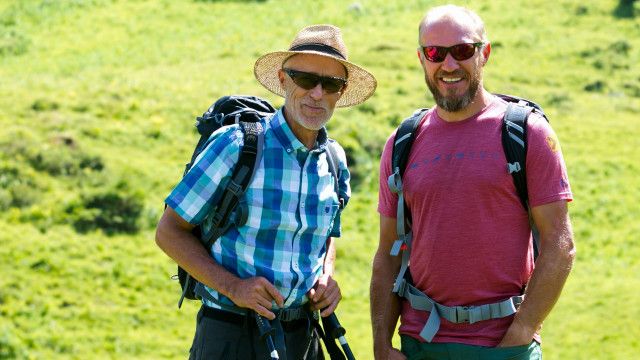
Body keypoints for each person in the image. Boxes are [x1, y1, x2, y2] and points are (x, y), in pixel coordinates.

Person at [155, 24, 376, 359]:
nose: (317, 93)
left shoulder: (334, 160)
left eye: (330, 84)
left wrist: (326, 278)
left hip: (304, 337)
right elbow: (169, 232)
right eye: (305, 78)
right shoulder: (236, 146)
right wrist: (235, 287)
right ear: (283, 79)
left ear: (341, 93)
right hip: (230, 333)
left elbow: (328, 236)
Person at [370, 5, 575, 360]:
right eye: (436, 53)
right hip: (420, 343)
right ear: (422, 59)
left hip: (503, 346)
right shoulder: (402, 142)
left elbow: (560, 243)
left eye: (463, 51)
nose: (449, 65)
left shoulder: (527, 133)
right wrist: (381, 346)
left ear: (485, 53)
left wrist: (522, 332)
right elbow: (388, 252)